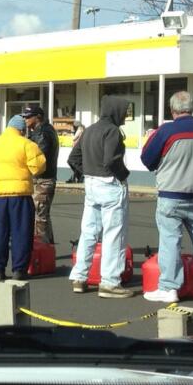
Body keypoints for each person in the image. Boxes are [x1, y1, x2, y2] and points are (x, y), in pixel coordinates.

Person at [139, 90, 193, 303]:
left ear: (172, 109)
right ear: (192, 108)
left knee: (170, 241)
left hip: (171, 195)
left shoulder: (166, 131)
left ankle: (169, 287)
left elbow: (147, 160)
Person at [67, 96, 134, 299]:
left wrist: (86, 172)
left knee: (88, 232)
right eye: (124, 111)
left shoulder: (90, 130)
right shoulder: (112, 131)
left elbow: (73, 158)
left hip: (91, 183)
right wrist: (123, 176)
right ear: (115, 111)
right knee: (113, 234)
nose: (126, 115)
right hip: (110, 184)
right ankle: (110, 283)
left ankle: (79, 277)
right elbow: (111, 160)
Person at [0, 114, 46, 281]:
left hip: (0, 196)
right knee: (21, 233)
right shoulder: (26, 144)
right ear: (22, 130)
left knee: (0, 232)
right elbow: (38, 167)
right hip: (21, 195)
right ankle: (19, 269)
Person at [23, 104, 59, 245]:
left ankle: (41, 248)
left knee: (39, 216)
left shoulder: (42, 133)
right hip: (44, 178)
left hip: (43, 180)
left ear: (37, 117)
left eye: (28, 116)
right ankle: (47, 247)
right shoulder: (42, 131)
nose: (25, 119)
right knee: (43, 215)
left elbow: (38, 157)